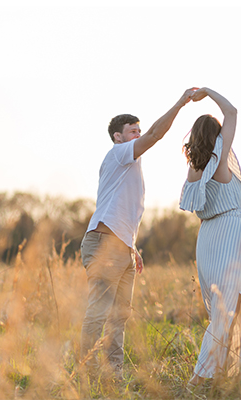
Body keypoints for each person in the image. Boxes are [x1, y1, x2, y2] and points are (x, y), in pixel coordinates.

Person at [80, 88, 197, 380]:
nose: (140, 135)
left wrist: (132, 248)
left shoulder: (128, 166)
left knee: (120, 316)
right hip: (104, 244)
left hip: (121, 246)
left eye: (139, 130)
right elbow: (157, 134)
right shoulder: (120, 153)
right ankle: (86, 373)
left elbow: (120, 210)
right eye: (133, 131)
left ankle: (114, 373)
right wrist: (181, 103)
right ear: (118, 136)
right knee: (100, 310)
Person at [178, 87, 241, 384]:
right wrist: (208, 92)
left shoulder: (194, 169)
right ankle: (200, 377)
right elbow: (232, 111)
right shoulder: (220, 161)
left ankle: (229, 372)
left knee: (229, 307)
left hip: (207, 237)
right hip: (230, 231)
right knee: (227, 308)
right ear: (218, 136)